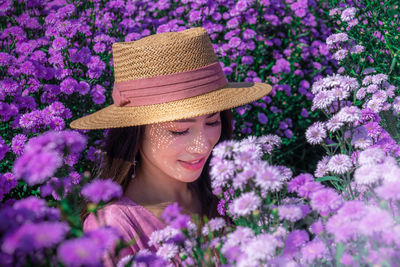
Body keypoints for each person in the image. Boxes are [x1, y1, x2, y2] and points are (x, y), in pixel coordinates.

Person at [70, 27, 272, 266]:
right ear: (136, 132)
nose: (202, 145)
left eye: (212, 121)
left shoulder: (229, 192)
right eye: (179, 130)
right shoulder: (113, 227)